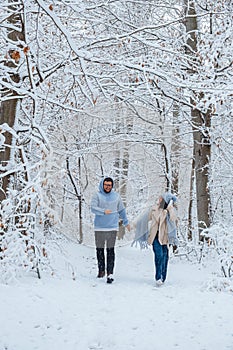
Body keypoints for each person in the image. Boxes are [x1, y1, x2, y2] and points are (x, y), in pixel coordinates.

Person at [133, 192, 178, 287]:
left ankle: (163, 277)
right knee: (159, 255)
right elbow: (143, 218)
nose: (159, 199)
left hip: (165, 237)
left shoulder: (170, 211)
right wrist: (133, 224)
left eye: (161, 198)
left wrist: (170, 209)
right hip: (155, 237)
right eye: (159, 198)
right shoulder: (154, 209)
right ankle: (158, 277)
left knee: (165, 257)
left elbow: (174, 219)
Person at [91, 177, 130, 284]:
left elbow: (121, 210)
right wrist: (103, 211)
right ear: (102, 185)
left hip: (112, 227)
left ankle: (110, 273)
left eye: (109, 185)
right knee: (100, 250)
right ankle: (101, 270)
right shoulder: (97, 196)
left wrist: (126, 222)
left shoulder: (116, 197)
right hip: (99, 228)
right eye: (106, 185)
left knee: (110, 251)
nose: (107, 187)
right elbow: (93, 208)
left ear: (112, 186)